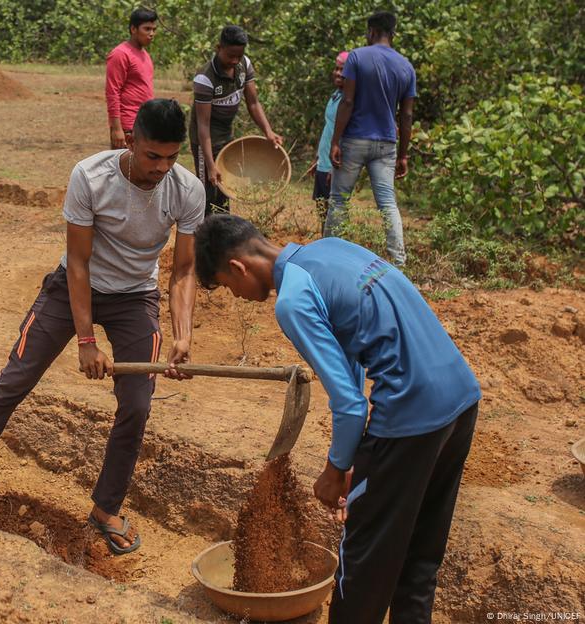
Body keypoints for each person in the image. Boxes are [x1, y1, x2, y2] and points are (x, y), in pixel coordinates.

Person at [0, 99, 205, 555]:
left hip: (136, 297)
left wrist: (183, 336)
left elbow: (184, 271)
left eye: (172, 157)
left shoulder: (187, 190)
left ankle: (106, 507)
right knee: (14, 380)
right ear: (131, 141)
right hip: (74, 288)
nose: (162, 168)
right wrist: (87, 340)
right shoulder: (91, 176)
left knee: (137, 404)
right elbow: (78, 262)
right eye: (153, 156)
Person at [193, 214, 481, 622]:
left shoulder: (292, 300)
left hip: (409, 418)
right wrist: (355, 458)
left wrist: (335, 470)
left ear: (238, 266)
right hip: (461, 400)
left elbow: (349, 402)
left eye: (227, 285)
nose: (236, 295)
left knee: (362, 563)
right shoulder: (331, 249)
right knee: (419, 555)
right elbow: (354, 364)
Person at [326, 11, 416, 266]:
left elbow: (348, 100)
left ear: (372, 31)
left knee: (340, 199)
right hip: (387, 143)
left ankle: (328, 255)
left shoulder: (357, 57)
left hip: (355, 138)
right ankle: (399, 262)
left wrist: (335, 141)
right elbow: (406, 115)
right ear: (393, 33)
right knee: (388, 203)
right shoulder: (406, 66)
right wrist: (404, 154)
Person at [189, 25, 282, 216]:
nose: (234, 60)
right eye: (230, 55)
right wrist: (210, 164)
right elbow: (203, 126)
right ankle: (203, 238)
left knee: (225, 189)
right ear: (218, 48)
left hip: (226, 137)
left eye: (238, 56)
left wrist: (268, 131)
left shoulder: (244, 66)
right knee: (207, 191)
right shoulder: (205, 78)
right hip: (204, 141)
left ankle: (223, 238)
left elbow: (253, 103)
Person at [307, 51, 348, 235]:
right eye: (337, 69)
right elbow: (328, 128)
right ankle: (325, 242)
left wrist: (336, 166)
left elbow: (346, 134)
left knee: (334, 210)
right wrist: (318, 158)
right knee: (322, 208)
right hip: (323, 161)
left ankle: (334, 246)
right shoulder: (335, 95)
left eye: (343, 70)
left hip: (334, 162)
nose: (338, 73)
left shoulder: (349, 100)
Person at [105, 8, 157, 149]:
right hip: (127, 126)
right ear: (133, 29)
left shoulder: (144, 54)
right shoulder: (120, 54)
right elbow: (112, 92)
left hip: (144, 124)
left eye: (154, 29)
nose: (151, 34)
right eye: (147, 29)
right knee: (124, 169)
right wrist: (117, 129)